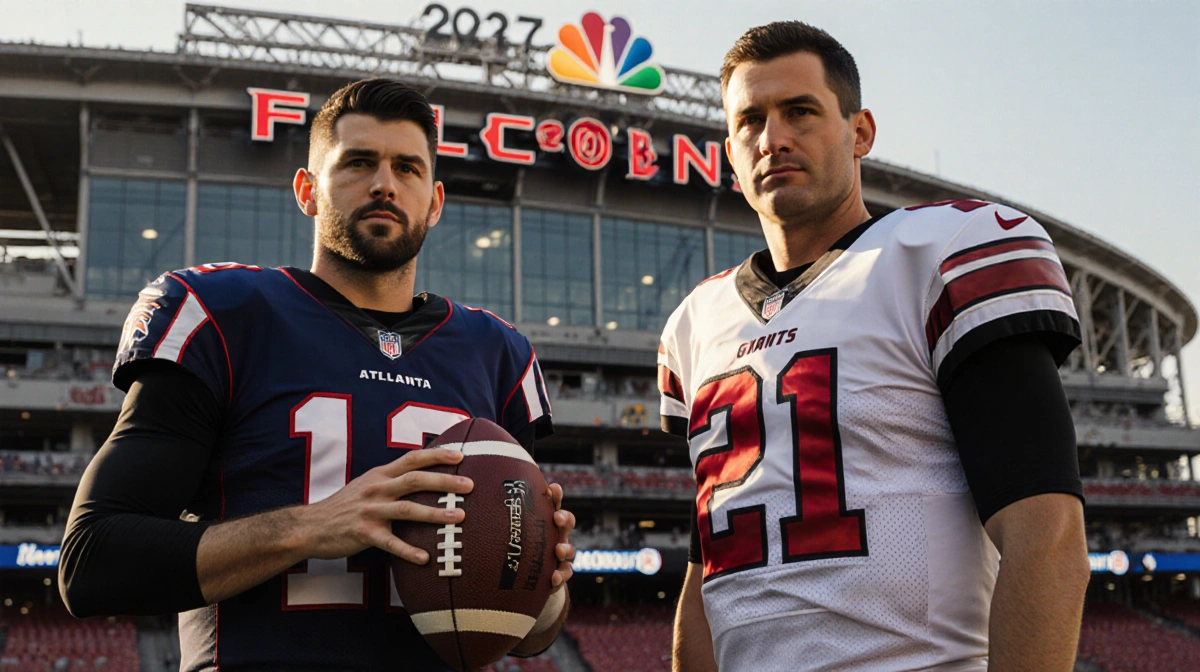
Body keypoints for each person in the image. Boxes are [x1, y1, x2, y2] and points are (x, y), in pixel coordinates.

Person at [59, 78, 575, 671]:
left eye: (407, 168)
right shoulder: (221, 314)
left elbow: (533, 634)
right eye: (359, 162)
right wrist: (314, 526)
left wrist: (544, 579)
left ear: (434, 202)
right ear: (307, 190)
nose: (384, 183)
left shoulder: (499, 353)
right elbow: (93, 563)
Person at [662, 22, 1089, 672]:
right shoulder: (695, 325)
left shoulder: (941, 254)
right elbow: (705, 576)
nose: (772, 139)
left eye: (799, 112)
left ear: (860, 130)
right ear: (729, 152)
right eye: (749, 121)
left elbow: (1047, 534)